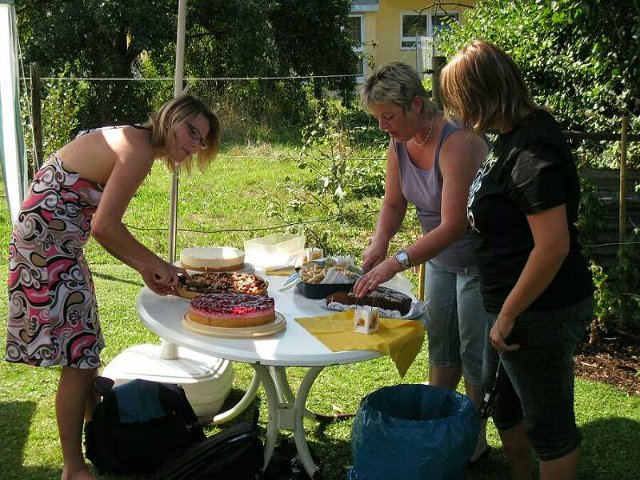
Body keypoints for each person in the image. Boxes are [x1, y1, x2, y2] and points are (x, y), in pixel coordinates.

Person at [5, 94, 221, 480]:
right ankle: (73, 468)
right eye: (192, 132)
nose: (195, 145)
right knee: (79, 358)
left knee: (85, 349)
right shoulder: (138, 151)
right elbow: (105, 226)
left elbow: (101, 225)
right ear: (172, 119)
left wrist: (145, 268)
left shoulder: (135, 139)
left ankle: (101, 437)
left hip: (54, 242)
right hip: (47, 247)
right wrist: (158, 264)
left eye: (202, 141)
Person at [439, 40, 594, 480]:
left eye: (459, 100)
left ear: (481, 93)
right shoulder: (509, 138)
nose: (458, 113)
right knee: (505, 407)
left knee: (550, 428)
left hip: (539, 311)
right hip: (509, 307)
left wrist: (508, 316)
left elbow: (553, 246)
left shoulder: (533, 150)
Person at [353, 62, 490, 462]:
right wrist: (379, 244)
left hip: (480, 263)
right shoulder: (399, 143)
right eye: (378, 118)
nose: (383, 127)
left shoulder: (457, 140)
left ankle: (474, 439)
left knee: (474, 354)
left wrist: (395, 262)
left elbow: (454, 224)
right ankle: (440, 429)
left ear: (416, 104)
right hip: (440, 261)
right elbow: (393, 203)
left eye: (389, 116)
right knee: (442, 347)